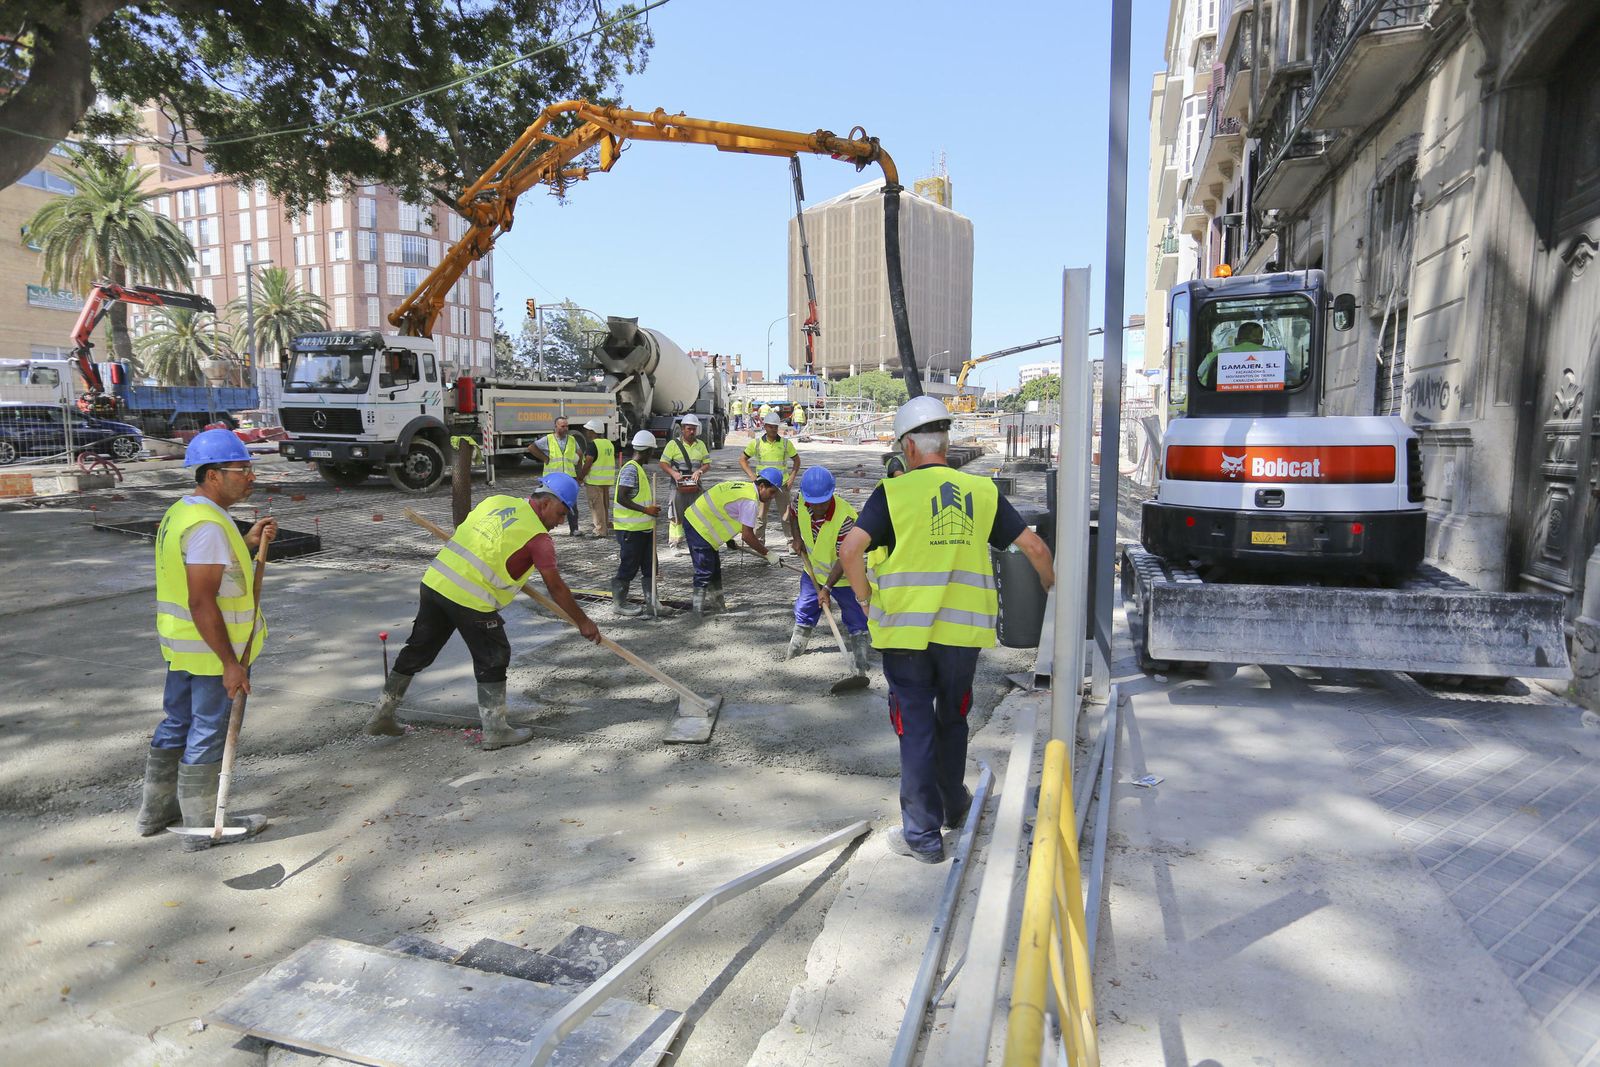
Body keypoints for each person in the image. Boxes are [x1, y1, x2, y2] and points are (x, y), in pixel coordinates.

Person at [839, 397, 1055, 864]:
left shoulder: (892, 494)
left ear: (909, 447)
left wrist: (862, 596)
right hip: (961, 637)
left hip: (907, 638)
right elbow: (1035, 549)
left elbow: (851, 549)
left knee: (915, 728)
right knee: (953, 719)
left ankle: (922, 836)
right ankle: (954, 804)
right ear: (945, 442)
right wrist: (1052, 594)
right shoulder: (982, 491)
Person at [364, 473, 602, 749]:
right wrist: (584, 622)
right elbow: (556, 587)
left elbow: (477, 538)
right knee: (493, 656)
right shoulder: (538, 539)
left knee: (418, 649)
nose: (560, 523)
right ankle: (495, 730)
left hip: (435, 583)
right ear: (547, 502)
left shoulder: (497, 501)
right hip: (470, 598)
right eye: (561, 514)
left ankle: (382, 713)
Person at [137, 428, 277, 851]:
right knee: (207, 729)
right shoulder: (207, 526)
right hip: (211, 652)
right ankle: (202, 826)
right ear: (213, 475)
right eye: (242, 469)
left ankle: (156, 812)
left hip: (180, 646)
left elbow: (208, 568)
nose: (251, 476)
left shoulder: (186, 512)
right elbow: (202, 601)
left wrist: (247, 541)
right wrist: (231, 664)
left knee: (177, 722)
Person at [785, 466, 870, 672]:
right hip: (813, 569)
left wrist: (827, 588)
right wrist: (797, 538)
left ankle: (861, 661)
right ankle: (794, 652)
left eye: (821, 503)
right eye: (812, 503)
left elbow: (845, 558)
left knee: (856, 617)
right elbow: (793, 515)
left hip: (846, 576)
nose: (816, 508)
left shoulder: (845, 519)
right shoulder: (801, 500)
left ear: (831, 494)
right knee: (805, 607)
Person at [682, 467, 785, 617]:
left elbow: (723, 509)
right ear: (762, 486)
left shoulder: (744, 488)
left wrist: (729, 540)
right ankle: (696, 613)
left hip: (699, 522)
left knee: (714, 569)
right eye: (772, 492)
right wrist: (768, 554)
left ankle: (719, 607)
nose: (773, 497)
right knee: (704, 570)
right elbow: (747, 536)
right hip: (698, 527)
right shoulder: (750, 501)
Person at [613, 430, 662, 617]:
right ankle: (619, 602)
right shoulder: (631, 469)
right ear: (648, 450)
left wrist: (649, 509)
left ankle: (653, 603)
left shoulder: (638, 469)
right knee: (629, 566)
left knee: (651, 565)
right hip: (630, 530)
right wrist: (645, 510)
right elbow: (621, 497)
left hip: (644, 529)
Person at [741, 411, 800, 539]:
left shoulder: (785, 443)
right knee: (760, 516)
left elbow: (797, 460)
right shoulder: (756, 443)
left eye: (775, 427)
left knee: (786, 516)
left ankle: (791, 544)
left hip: (782, 485)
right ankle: (759, 543)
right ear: (765, 426)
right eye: (770, 426)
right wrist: (752, 476)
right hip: (763, 486)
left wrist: (791, 478)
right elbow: (742, 460)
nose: (773, 429)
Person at [525, 416, 583, 536]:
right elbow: (531, 447)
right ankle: (540, 528)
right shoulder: (548, 439)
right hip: (552, 479)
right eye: (563, 426)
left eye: (567, 426)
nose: (565, 428)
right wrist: (544, 458)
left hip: (568, 477)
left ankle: (574, 529)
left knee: (571, 504)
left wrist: (578, 468)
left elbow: (579, 452)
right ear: (556, 427)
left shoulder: (571, 439)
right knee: (546, 504)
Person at [660, 414, 710, 550]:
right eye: (689, 429)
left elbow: (707, 464)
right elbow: (663, 463)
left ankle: (694, 543)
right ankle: (674, 544)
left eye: (694, 429)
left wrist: (699, 471)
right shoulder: (673, 445)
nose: (692, 431)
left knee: (696, 514)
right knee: (675, 514)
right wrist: (674, 473)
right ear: (682, 429)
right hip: (677, 486)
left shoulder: (701, 445)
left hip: (695, 486)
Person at [1196, 320, 1266, 387]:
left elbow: (1198, 379)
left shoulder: (1212, 357)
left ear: (1236, 341)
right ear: (1262, 342)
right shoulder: (1275, 355)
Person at [577, 420, 615, 539]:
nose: (586, 432)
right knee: (604, 504)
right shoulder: (608, 443)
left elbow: (588, 463)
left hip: (594, 481)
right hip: (606, 480)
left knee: (596, 506)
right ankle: (605, 525)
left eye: (588, 430)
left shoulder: (593, 445)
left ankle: (600, 530)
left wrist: (580, 477)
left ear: (593, 431)